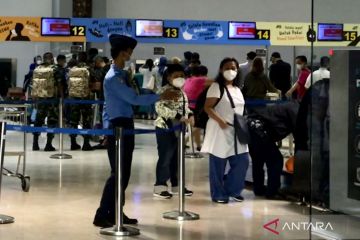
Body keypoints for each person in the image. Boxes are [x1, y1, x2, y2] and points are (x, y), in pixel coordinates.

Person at [93, 34, 177, 228]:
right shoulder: (114, 77)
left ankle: (116, 212)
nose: (131, 54)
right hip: (119, 126)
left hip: (125, 124)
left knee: (124, 173)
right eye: (130, 51)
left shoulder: (122, 74)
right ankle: (101, 214)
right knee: (118, 173)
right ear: (123, 53)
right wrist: (160, 96)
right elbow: (134, 100)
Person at [201, 57, 250, 203]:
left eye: (234, 68)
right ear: (221, 70)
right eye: (227, 68)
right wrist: (220, 120)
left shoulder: (238, 89)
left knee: (242, 161)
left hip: (237, 131)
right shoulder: (216, 87)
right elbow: (207, 107)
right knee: (218, 165)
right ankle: (218, 194)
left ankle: (232, 189)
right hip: (220, 129)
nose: (231, 71)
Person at [153, 64, 194, 198]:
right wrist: (177, 116)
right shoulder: (163, 91)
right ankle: (160, 186)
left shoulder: (182, 92)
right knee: (165, 157)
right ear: (169, 77)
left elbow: (185, 108)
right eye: (176, 76)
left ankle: (177, 185)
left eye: (182, 76)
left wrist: (190, 114)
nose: (179, 78)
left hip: (179, 129)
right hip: (166, 128)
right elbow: (159, 108)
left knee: (177, 158)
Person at [32, 52, 63, 151]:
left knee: (38, 120)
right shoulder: (55, 69)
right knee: (52, 121)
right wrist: (61, 96)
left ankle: (35, 143)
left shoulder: (37, 69)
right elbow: (59, 83)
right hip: (52, 99)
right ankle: (48, 144)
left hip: (40, 99)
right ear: (52, 59)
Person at [67, 52, 95, 151]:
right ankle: (86, 144)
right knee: (86, 120)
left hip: (73, 98)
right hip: (85, 99)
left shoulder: (72, 69)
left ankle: (73, 143)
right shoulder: (89, 69)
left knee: (73, 121)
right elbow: (95, 82)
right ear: (86, 58)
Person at [183, 65, 212, 150]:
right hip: (196, 107)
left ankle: (199, 146)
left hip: (187, 106)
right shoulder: (201, 80)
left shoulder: (188, 80)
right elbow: (217, 83)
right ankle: (184, 141)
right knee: (198, 126)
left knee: (196, 127)